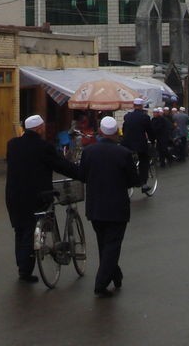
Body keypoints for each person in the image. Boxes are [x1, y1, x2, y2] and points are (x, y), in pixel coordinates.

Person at [5, 115, 81, 283]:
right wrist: (81, 174)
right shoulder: (44, 147)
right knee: (30, 231)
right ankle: (25, 270)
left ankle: (22, 267)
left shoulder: (12, 145)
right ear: (39, 128)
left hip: (14, 195)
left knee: (20, 230)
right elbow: (61, 165)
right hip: (37, 197)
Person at [78, 116, 138, 299]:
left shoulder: (88, 152)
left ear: (101, 132)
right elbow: (133, 180)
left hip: (95, 207)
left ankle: (115, 274)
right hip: (117, 207)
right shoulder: (124, 153)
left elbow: (82, 175)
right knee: (112, 245)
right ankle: (101, 283)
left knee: (104, 243)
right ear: (115, 133)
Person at [120, 98, 153, 183]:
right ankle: (143, 183)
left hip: (126, 143)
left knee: (128, 160)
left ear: (134, 106)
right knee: (144, 161)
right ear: (142, 106)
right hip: (140, 144)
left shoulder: (127, 116)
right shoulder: (145, 117)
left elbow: (124, 129)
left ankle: (128, 177)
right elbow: (150, 131)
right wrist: (152, 140)